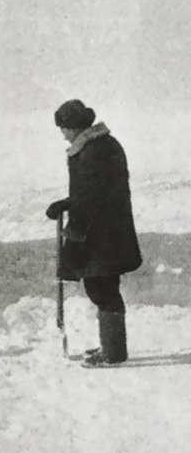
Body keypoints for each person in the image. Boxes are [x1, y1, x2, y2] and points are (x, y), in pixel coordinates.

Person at [46, 99, 142, 367]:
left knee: (101, 288)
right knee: (105, 287)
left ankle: (112, 353)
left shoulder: (92, 152)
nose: (63, 134)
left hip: (100, 234)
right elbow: (92, 192)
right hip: (108, 231)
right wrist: (68, 203)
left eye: (64, 128)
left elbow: (92, 198)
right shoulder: (101, 145)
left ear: (74, 126)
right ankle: (112, 347)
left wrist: (74, 231)